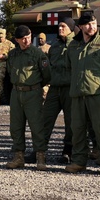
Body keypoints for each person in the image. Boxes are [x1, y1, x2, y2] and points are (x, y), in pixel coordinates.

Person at [65, 13, 100, 174]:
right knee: (77, 129)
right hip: (77, 94)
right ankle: (78, 161)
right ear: (81, 27)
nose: (92, 27)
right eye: (88, 24)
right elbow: (70, 67)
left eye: (94, 23)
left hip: (98, 94)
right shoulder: (73, 46)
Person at [5, 25, 51, 170]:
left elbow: (47, 75)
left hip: (33, 93)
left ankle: (40, 156)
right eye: (23, 38)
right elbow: (9, 72)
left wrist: (35, 88)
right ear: (16, 40)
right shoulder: (12, 55)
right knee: (16, 126)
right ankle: (19, 156)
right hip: (16, 93)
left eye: (29, 37)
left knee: (36, 125)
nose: (26, 41)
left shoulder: (38, 54)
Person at [41, 18, 76, 163]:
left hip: (69, 89)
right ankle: (39, 150)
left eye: (64, 26)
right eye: (59, 26)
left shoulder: (76, 45)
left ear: (71, 29)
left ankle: (68, 151)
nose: (60, 29)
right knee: (45, 119)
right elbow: (48, 66)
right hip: (54, 88)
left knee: (71, 122)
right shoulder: (54, 47)